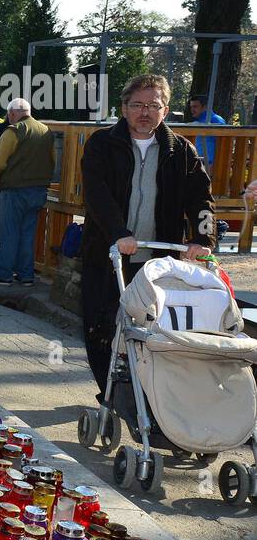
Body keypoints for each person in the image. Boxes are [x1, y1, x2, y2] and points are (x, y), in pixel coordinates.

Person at [80, 74, 214, 402]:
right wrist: (119, 233)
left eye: (153, 105)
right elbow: (97, 196)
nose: (145, 112)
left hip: (158, 259)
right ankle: (109, 392)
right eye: (137, 105)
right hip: (109, 254)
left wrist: (203, 240)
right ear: (124, 109)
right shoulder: (102, 144)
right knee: (101, 325)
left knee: (152, 332)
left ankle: (148, 396)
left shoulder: (181, 151)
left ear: (165, 110)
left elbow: (202, 198)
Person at [0, 98, 55, 287]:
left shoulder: (13, 130)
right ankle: (26, 275)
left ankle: (3, 273)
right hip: (39, 190)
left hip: (14, 190)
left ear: (13, 113)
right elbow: (52, 160)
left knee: (7, 233)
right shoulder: (45, 131)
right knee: (27, 234)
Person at [188, 94, 226, 166]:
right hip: (200, 162)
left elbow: (223, 139)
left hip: (209, 165)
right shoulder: (200, 121)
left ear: (205, 107)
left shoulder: (215, 119)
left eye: (195, 107)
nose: (192, 110)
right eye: (191, 107)